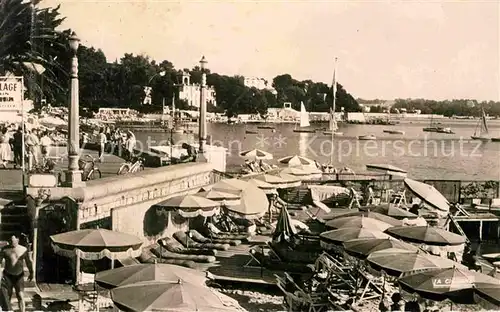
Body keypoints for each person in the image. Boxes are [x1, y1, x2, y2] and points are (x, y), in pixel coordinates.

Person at [0, 234, 34, 312]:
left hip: (19, 276)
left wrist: (31, 272)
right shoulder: (5, 250)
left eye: (13, 240)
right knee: (7, 296)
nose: (11, 242)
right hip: (8, 275)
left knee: (20, 295)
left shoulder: (24, 249)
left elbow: (28, 262)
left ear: (17, 240)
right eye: (10, 241)